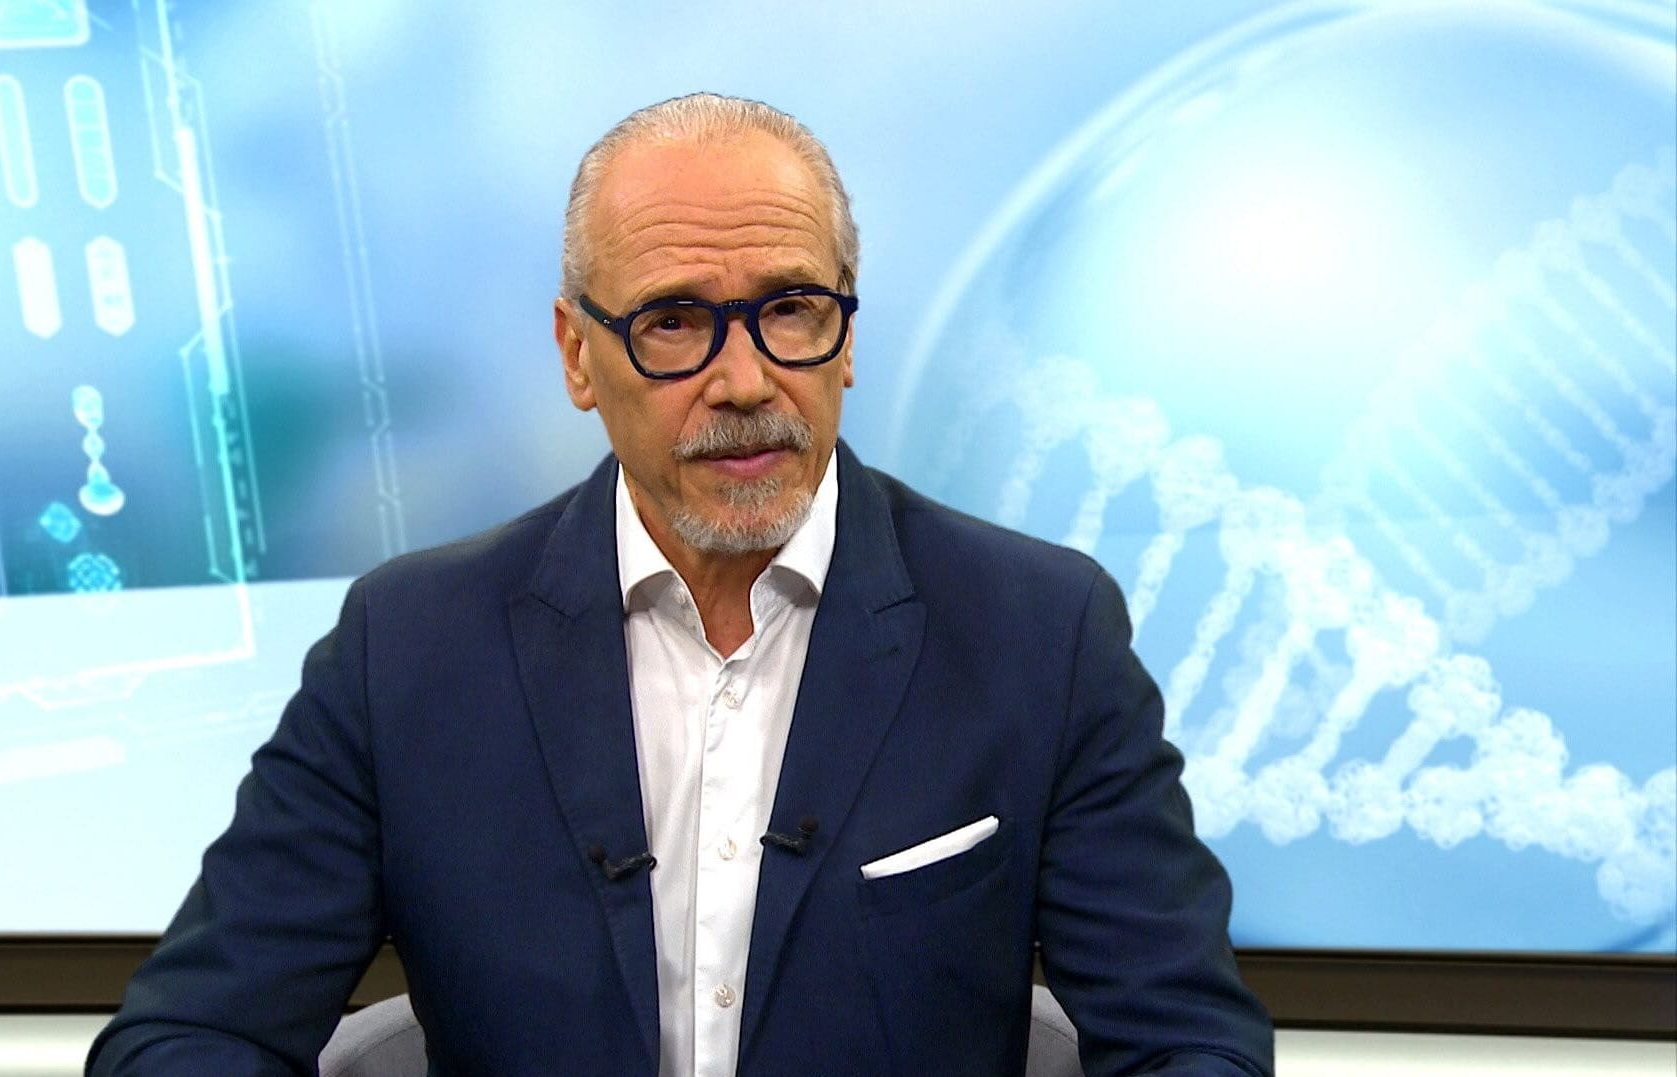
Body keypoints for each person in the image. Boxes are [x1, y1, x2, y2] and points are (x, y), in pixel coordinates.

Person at [88, 93, 1274, 1076]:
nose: (744, 380)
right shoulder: (404, 651)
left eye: (791, 310)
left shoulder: (1039, 634)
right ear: (577, 354)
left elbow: (1186, 1042)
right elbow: (188, 1035)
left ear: (849, 336)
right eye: (673, 322)